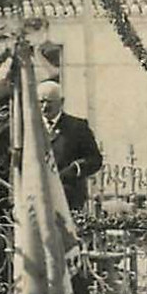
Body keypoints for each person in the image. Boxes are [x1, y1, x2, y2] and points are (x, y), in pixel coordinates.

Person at [38, 82, 102, 213]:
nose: (44, 107)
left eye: (49, 102)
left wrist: (76, 169)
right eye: (41, 101)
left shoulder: (77, 127)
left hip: (68, 195)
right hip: (38, 195)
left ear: (61, 102)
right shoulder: (31, 127)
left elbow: (95, 159)